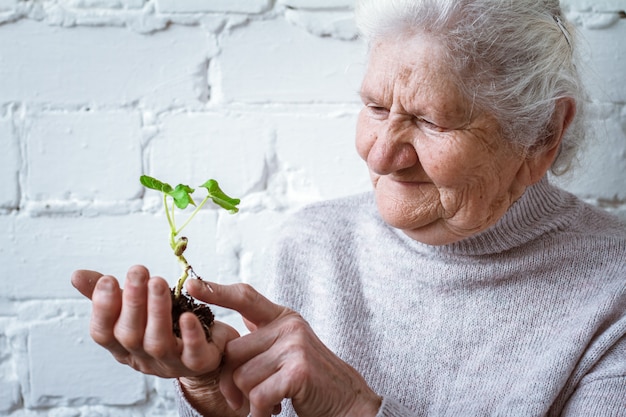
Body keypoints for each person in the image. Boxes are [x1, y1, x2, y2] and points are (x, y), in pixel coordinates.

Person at [72, 0, 626, 416]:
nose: (381, 155)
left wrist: (354, 408)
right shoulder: (310, 246)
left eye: (432, 121)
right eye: (376, 107)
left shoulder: (612, 293)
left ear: (543, 134)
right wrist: (212, 395)